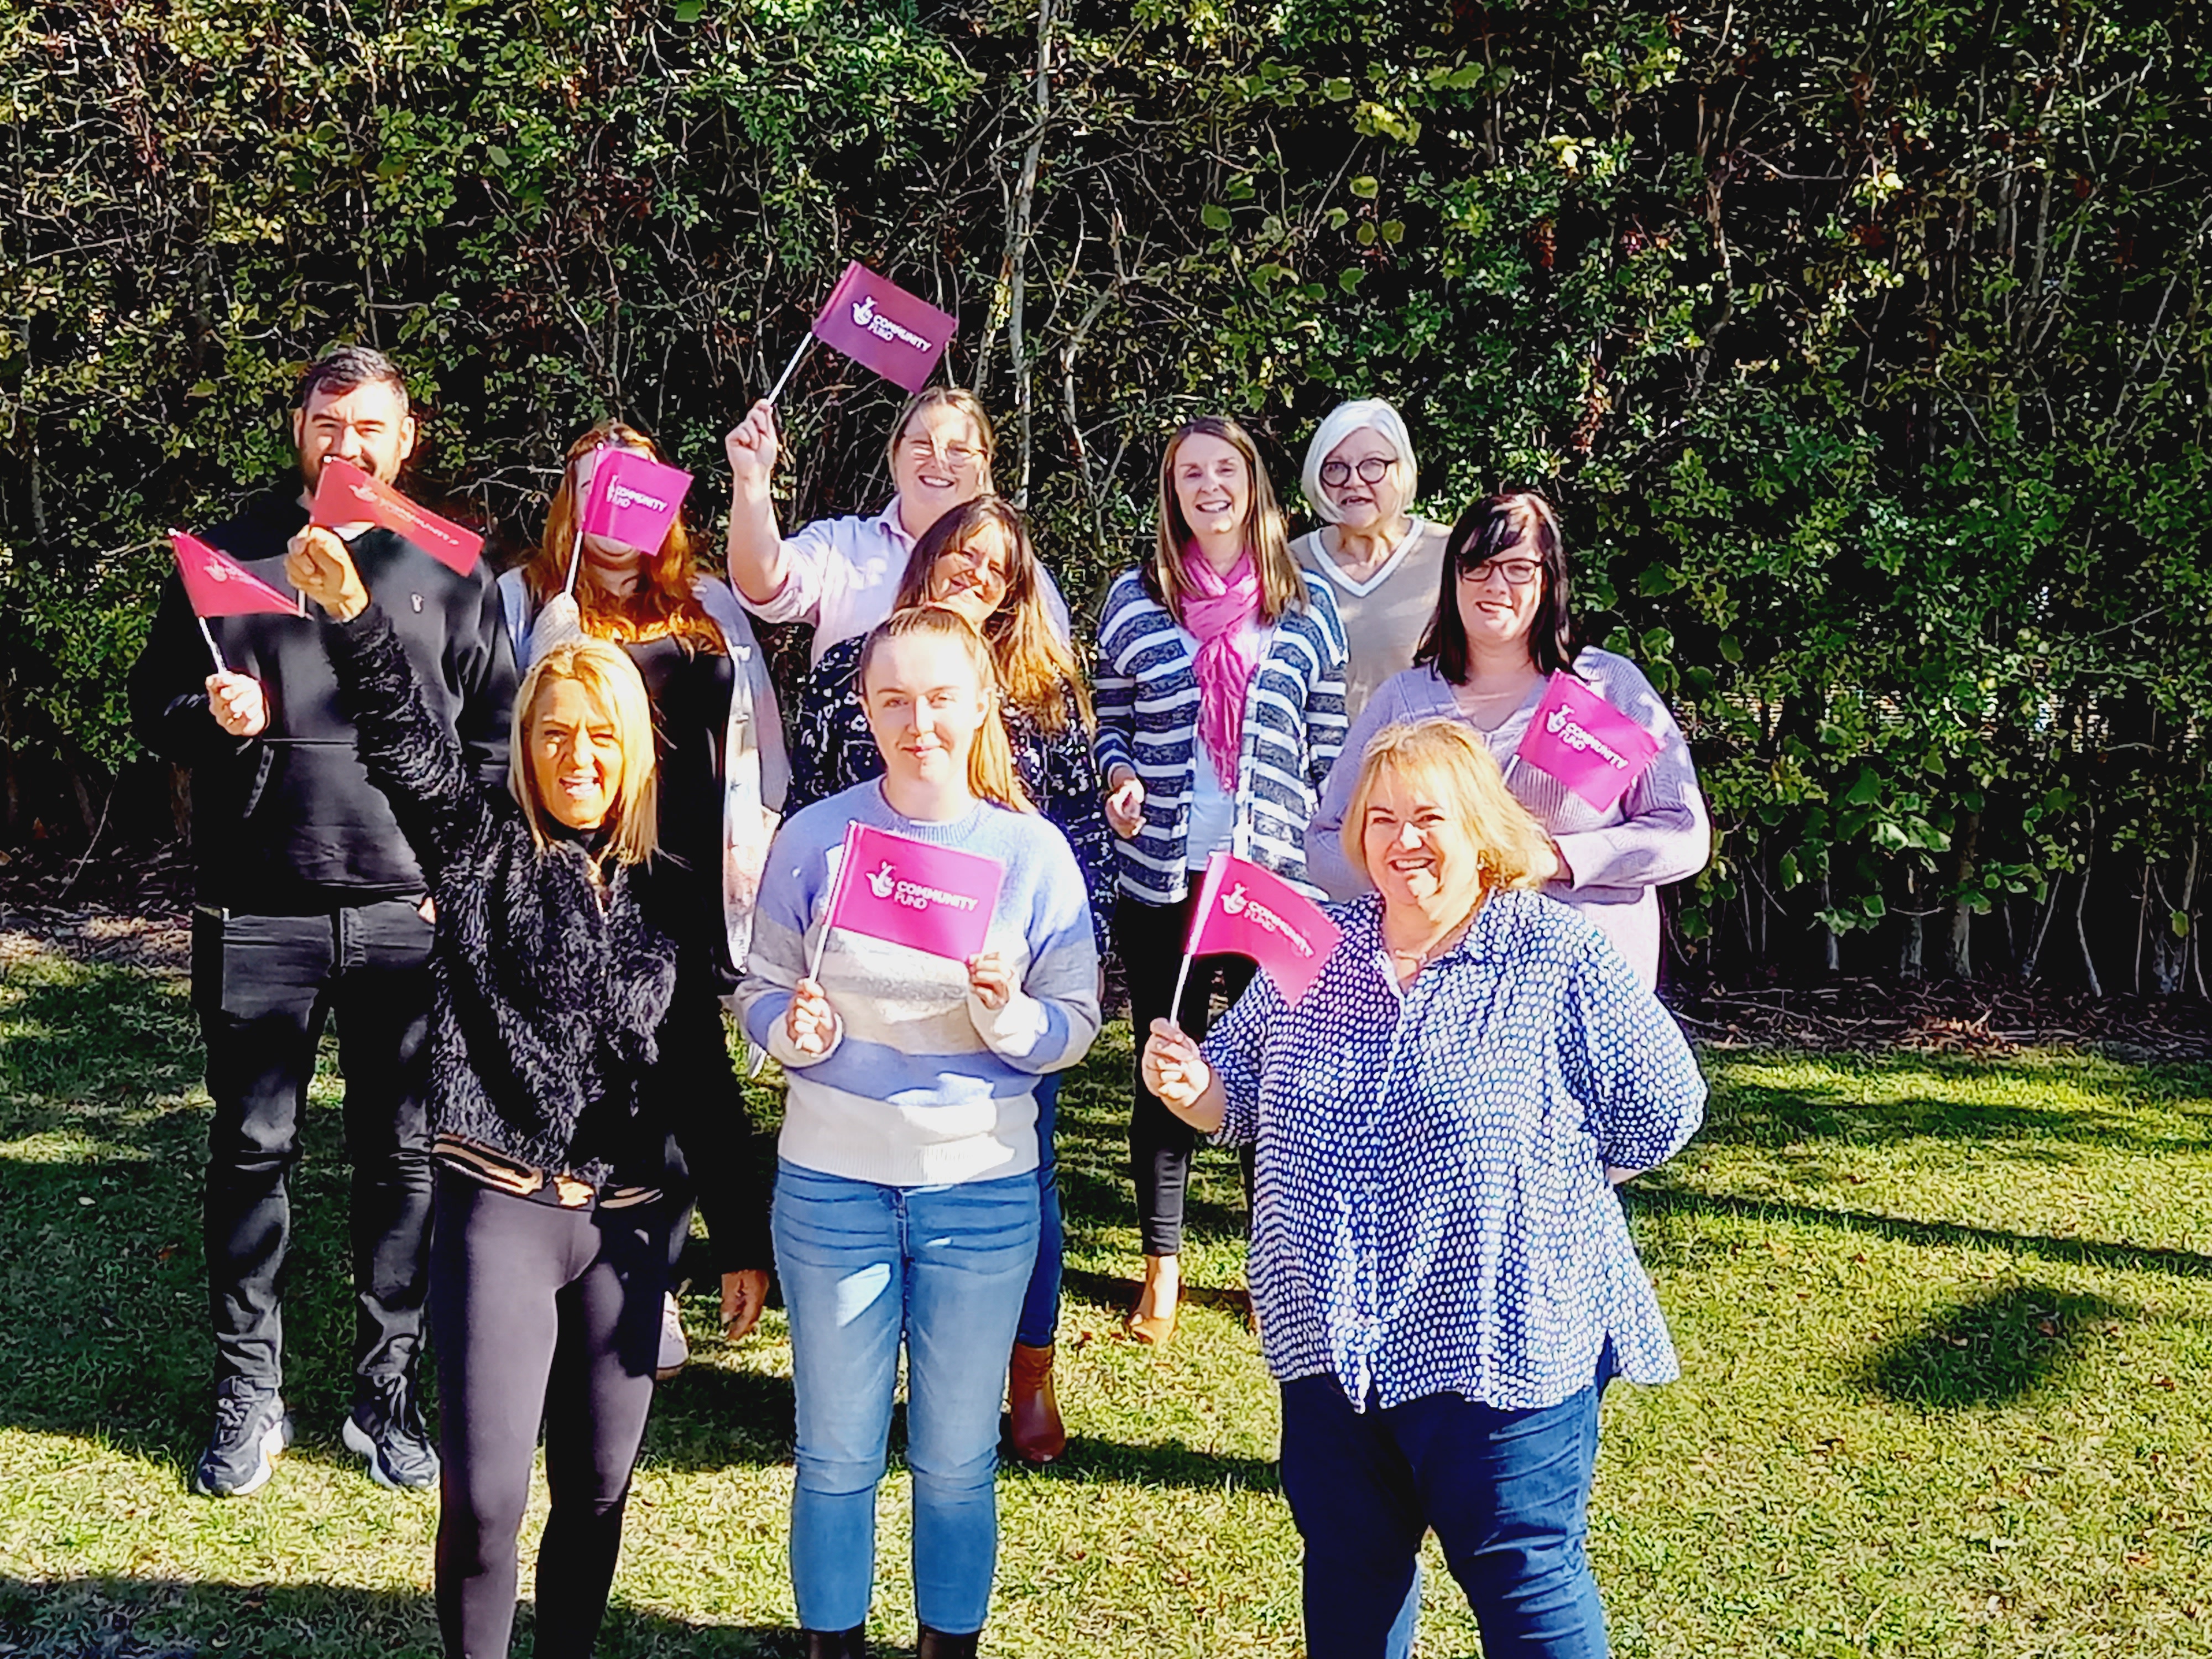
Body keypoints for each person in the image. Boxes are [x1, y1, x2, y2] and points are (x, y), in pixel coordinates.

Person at [285, 526, 771, 1659]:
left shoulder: (670, 889)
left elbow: (699, 1073)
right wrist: (353, 615)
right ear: (527, 746)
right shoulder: (478, 849)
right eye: (555, 734)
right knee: (487, 1500)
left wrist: (741, 1236)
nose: (578, 757)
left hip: (630, 1227)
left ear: (634, 752)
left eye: (601, 735)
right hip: (498, 1208)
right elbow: (407, 745)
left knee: (597, 1492)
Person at [1141, 717, 1707, 1659]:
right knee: (1350, 1578)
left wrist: (1552, 1179)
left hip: (1502, 1339)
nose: (1404, 840)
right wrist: (1192, 1085)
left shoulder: (1556, 956)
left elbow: (1665, 1108)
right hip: (1329, 1338)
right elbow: (1232, 1095)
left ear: (1482, 827)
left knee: (1525, 1579)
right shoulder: (1314, 948)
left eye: (1430, 817)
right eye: (1382, 818)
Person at [127, 346, 518, 1499]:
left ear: (407, 440)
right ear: (299, 428)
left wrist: (463, 877)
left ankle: (383, 1393)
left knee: (403, 1157)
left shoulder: (452, 565)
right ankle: (250, 1389)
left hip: (407, 908)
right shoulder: (227, 554)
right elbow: (153, 703)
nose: (348, 446)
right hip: (259, 905)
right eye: (328, 423)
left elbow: (494, 741)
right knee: (252, 1151)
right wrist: (207, 712)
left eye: (370, 428)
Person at [739, 607, 1101, 1659]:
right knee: (836, 1456)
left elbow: (1074, 1023)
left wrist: (1010, 1019)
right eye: (894, 700)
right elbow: (759, 989)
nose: (919, 722)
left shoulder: (1031, 854)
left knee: (955, 1462)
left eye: (941, 698)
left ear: (984, 702)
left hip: (982, 1193)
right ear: (865, 707)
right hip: (831, 1187)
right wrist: (792, 1031)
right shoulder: (818, 839)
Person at [782, 494, 1113, 1463]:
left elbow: (1078, 842)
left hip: (1001, 989)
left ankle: (1026, 1371)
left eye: (999, 565)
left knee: (1026, 1179)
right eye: (962, 553)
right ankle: (859, 1380)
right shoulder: (854, 669)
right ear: (926, 558)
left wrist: (1056, 975)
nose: (978, 573)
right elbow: (817, 799)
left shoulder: (1045, 690)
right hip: (865, 977)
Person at [498, 418, 789, 1375]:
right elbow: (505, 741)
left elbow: (757, 736)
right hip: (589, 879)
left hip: (693, 872)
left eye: (637, 489)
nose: (617, 509)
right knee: (601, 1080)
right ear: (571, 502)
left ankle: (680, 1264)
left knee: (690, 1070)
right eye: (597, 487)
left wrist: (762, 842)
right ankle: (585, 1270)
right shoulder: (527, 600)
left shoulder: (708, 602)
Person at [1092, 415, 1347, 1347]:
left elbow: (1328, 746)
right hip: (1162, 870)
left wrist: (1324, 854)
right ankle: (1161, 1267)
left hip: (1268, 878)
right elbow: (1109, 718)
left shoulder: (1305, 604)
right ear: (1173, 492)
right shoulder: (1136, 598)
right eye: (1190, 473)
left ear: (1252, 483)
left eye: (1224, 469)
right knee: (1167, 1061)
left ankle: (1267, 1265)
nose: (1209, 487)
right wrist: (1120, 777)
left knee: (1272, 1071)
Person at [1306, 492, 1710, 991]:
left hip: (1582, 988)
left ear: (1550, 579)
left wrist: (1555, 859)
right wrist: (1419, 873)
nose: (1496, 585)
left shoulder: (1605, 689)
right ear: (1452, 577)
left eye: (1519, 568)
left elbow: (1682, 834)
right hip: (1438, 992)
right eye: (1477, 565)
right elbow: (1326, 845)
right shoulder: (1402, 702)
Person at [721, 388, 1068, 667]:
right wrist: (752, 479)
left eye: (959, 450)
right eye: (922, 444)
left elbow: (1047, 686)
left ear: (984, 465)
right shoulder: (841, 545)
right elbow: (765, 586)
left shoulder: (1017, 575)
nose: (939, 460)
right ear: (896, 453)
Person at [1291, 397, 1451, 721]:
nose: (1353, 481)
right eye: (1336, 467)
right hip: (1321, 752)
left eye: (1373, 465)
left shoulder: (1448, 553)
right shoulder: (1291, 563)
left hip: (1423, 749)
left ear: (1402, 471)